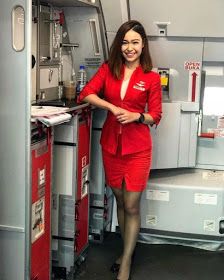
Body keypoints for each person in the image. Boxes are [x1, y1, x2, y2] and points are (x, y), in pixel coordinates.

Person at [78, 20, 162, 280]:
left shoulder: (151, 77)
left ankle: (125, 260)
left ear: (143, 44)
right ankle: (129, 248)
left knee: (132, 205)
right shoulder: (108, 69)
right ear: (120, 45)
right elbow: (86, 94)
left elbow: (156, 115)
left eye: (135, 42)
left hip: (138, 149)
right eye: (125, 42)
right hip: (111, 145)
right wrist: (112, 108)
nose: (129, 47)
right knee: (119, 201)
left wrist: (137, 116)